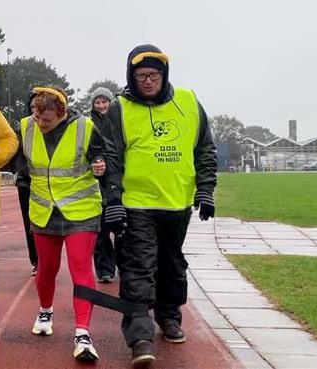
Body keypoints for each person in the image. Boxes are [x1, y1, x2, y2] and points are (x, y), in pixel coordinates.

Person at [102, 45, 217, 368]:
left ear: (164, 75)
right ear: (131, 76)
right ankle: (140, 337)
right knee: (138, 267)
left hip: (177, 203)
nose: (148, 81)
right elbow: (111, 157)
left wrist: (206, 190)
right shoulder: (119, 108)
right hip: (137, 204)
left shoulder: (189, 102)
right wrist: (112, 198)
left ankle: (169, 315)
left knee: (171, 265)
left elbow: (205, 148)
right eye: (141, 76)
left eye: (154, 75)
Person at [13, 86, 117, 361]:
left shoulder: (85, 127)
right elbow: (13, 157)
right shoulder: (25, 127)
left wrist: (100, 164)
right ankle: (45, 311)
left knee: (80, 268)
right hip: (43, 210)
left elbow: (103, 155)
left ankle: (83, 333)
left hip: (80, 211)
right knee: (46, 269)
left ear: (62, 113)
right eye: (36, 116)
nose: (40, 123)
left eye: (46, 119)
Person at [7, 90, 39, 276]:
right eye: (33, 106)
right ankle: (36, 261)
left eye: (39, 106)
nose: (36, 110)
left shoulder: (54, 128)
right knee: (30, 225)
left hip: (47, 184)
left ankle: (49, 261)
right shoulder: (24, 128)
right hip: (26, 184)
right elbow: (11, 152)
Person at [88, 87, 117, 283]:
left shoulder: (119, 121)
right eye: (97, 102)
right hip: (97, 180)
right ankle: (105, 269)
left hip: (118, 178)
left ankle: (127, 265)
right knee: (100, 230)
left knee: (123, 227)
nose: (101, 105)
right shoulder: (88, 125)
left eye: (104, 101)